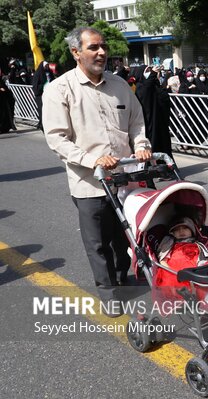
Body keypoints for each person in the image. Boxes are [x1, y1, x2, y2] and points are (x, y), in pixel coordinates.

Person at [43, 27, 151, 316]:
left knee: (122, 236)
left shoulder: (119, 85)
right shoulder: (59, 89)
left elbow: (136, 122)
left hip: (124, 179)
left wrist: (141, 144)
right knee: (97, 242)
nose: (102, 52)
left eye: (103, 46)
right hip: (89, 182)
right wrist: (93, 160)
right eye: (93, 47)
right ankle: (108, 292)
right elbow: (56, 138)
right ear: (76, 52)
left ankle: (120, 277)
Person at [134, 65, 173, 157]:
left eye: (150, 70)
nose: (150, 72)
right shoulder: (140, 87)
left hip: (160, 121)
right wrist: (153, 74)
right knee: (153, 145)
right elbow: (146, 91)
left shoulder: (155, 85)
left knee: (164, 144)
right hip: (149, 122)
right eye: (147, 71)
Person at [33, 61, 55, 130]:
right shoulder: (37, 74)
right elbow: (35, 86)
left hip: (49, 94)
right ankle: (43, 125)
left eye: (47, 66)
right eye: (45, 66)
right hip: (40, 95)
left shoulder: (49, 73)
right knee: (42, 111)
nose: (47, 67)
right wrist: (44, 86)